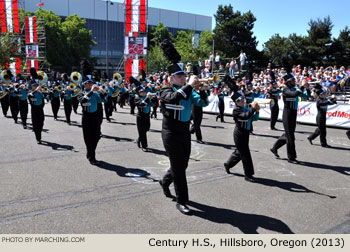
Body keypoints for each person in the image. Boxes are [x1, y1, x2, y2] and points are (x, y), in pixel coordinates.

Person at [158, 39, 208, 215]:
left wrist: (202, 89)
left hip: (184, 132)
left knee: (182, 165)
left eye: (184, 76)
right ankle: (181, 201)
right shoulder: (165, 90)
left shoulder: (189, 90)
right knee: (179, 169)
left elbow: (202, 102)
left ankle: (165, 180)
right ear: (172, 78)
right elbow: (173, 98)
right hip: (170, 133)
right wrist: (189, 85)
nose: (183, 79)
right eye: (180, 77)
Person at [270, 74, 309, 164]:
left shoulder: (294, 88)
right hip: (287, 114)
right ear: (288, 82)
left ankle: (274, 148)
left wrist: (307, 88)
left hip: (293, 114)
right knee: (291, 137)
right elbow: (294, 94)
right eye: (293, 81)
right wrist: (302, 86)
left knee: (288, 134)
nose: (294, 82)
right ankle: (291, 157)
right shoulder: (285, 89)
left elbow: (306, 96)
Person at [224, 93, 260, 182]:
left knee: (240, 152)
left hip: (246, 133)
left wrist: (257, 111)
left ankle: (228, 164)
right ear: (237, 102)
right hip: (239, 133)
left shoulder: (245, 108)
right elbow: (245, 116)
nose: (243, 102)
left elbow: (253, 118)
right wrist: (252, 109)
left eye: (244, 101)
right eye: (241, 101)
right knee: (245, 154)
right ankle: (248, 175)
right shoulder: (236, 110)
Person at [78, 80, 106, 165]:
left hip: (95, 117)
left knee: (97, 136)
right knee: (88, 137)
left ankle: (90, 151)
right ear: (84, 86)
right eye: (88, 85)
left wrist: (101, 92)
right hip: (86, 117)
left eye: (91, 84)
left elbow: (103, 100)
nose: (90, 86)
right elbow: (83, 101)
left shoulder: (95, 94)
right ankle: (92, 157)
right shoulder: (81, 93)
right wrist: (91, 91)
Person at [135, 87, 153, 151]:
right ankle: (144, 146)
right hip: (140, 117)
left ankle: (139, 139)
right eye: (141, 92)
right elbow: (141, 104)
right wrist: (147, 98)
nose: (143, 93)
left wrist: (152, 98)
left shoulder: (147, 97)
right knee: (142, 131)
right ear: (139, 93)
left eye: (144, 92)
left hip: (147, 116)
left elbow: (152, 104)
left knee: (146, 129)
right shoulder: (137, 98)